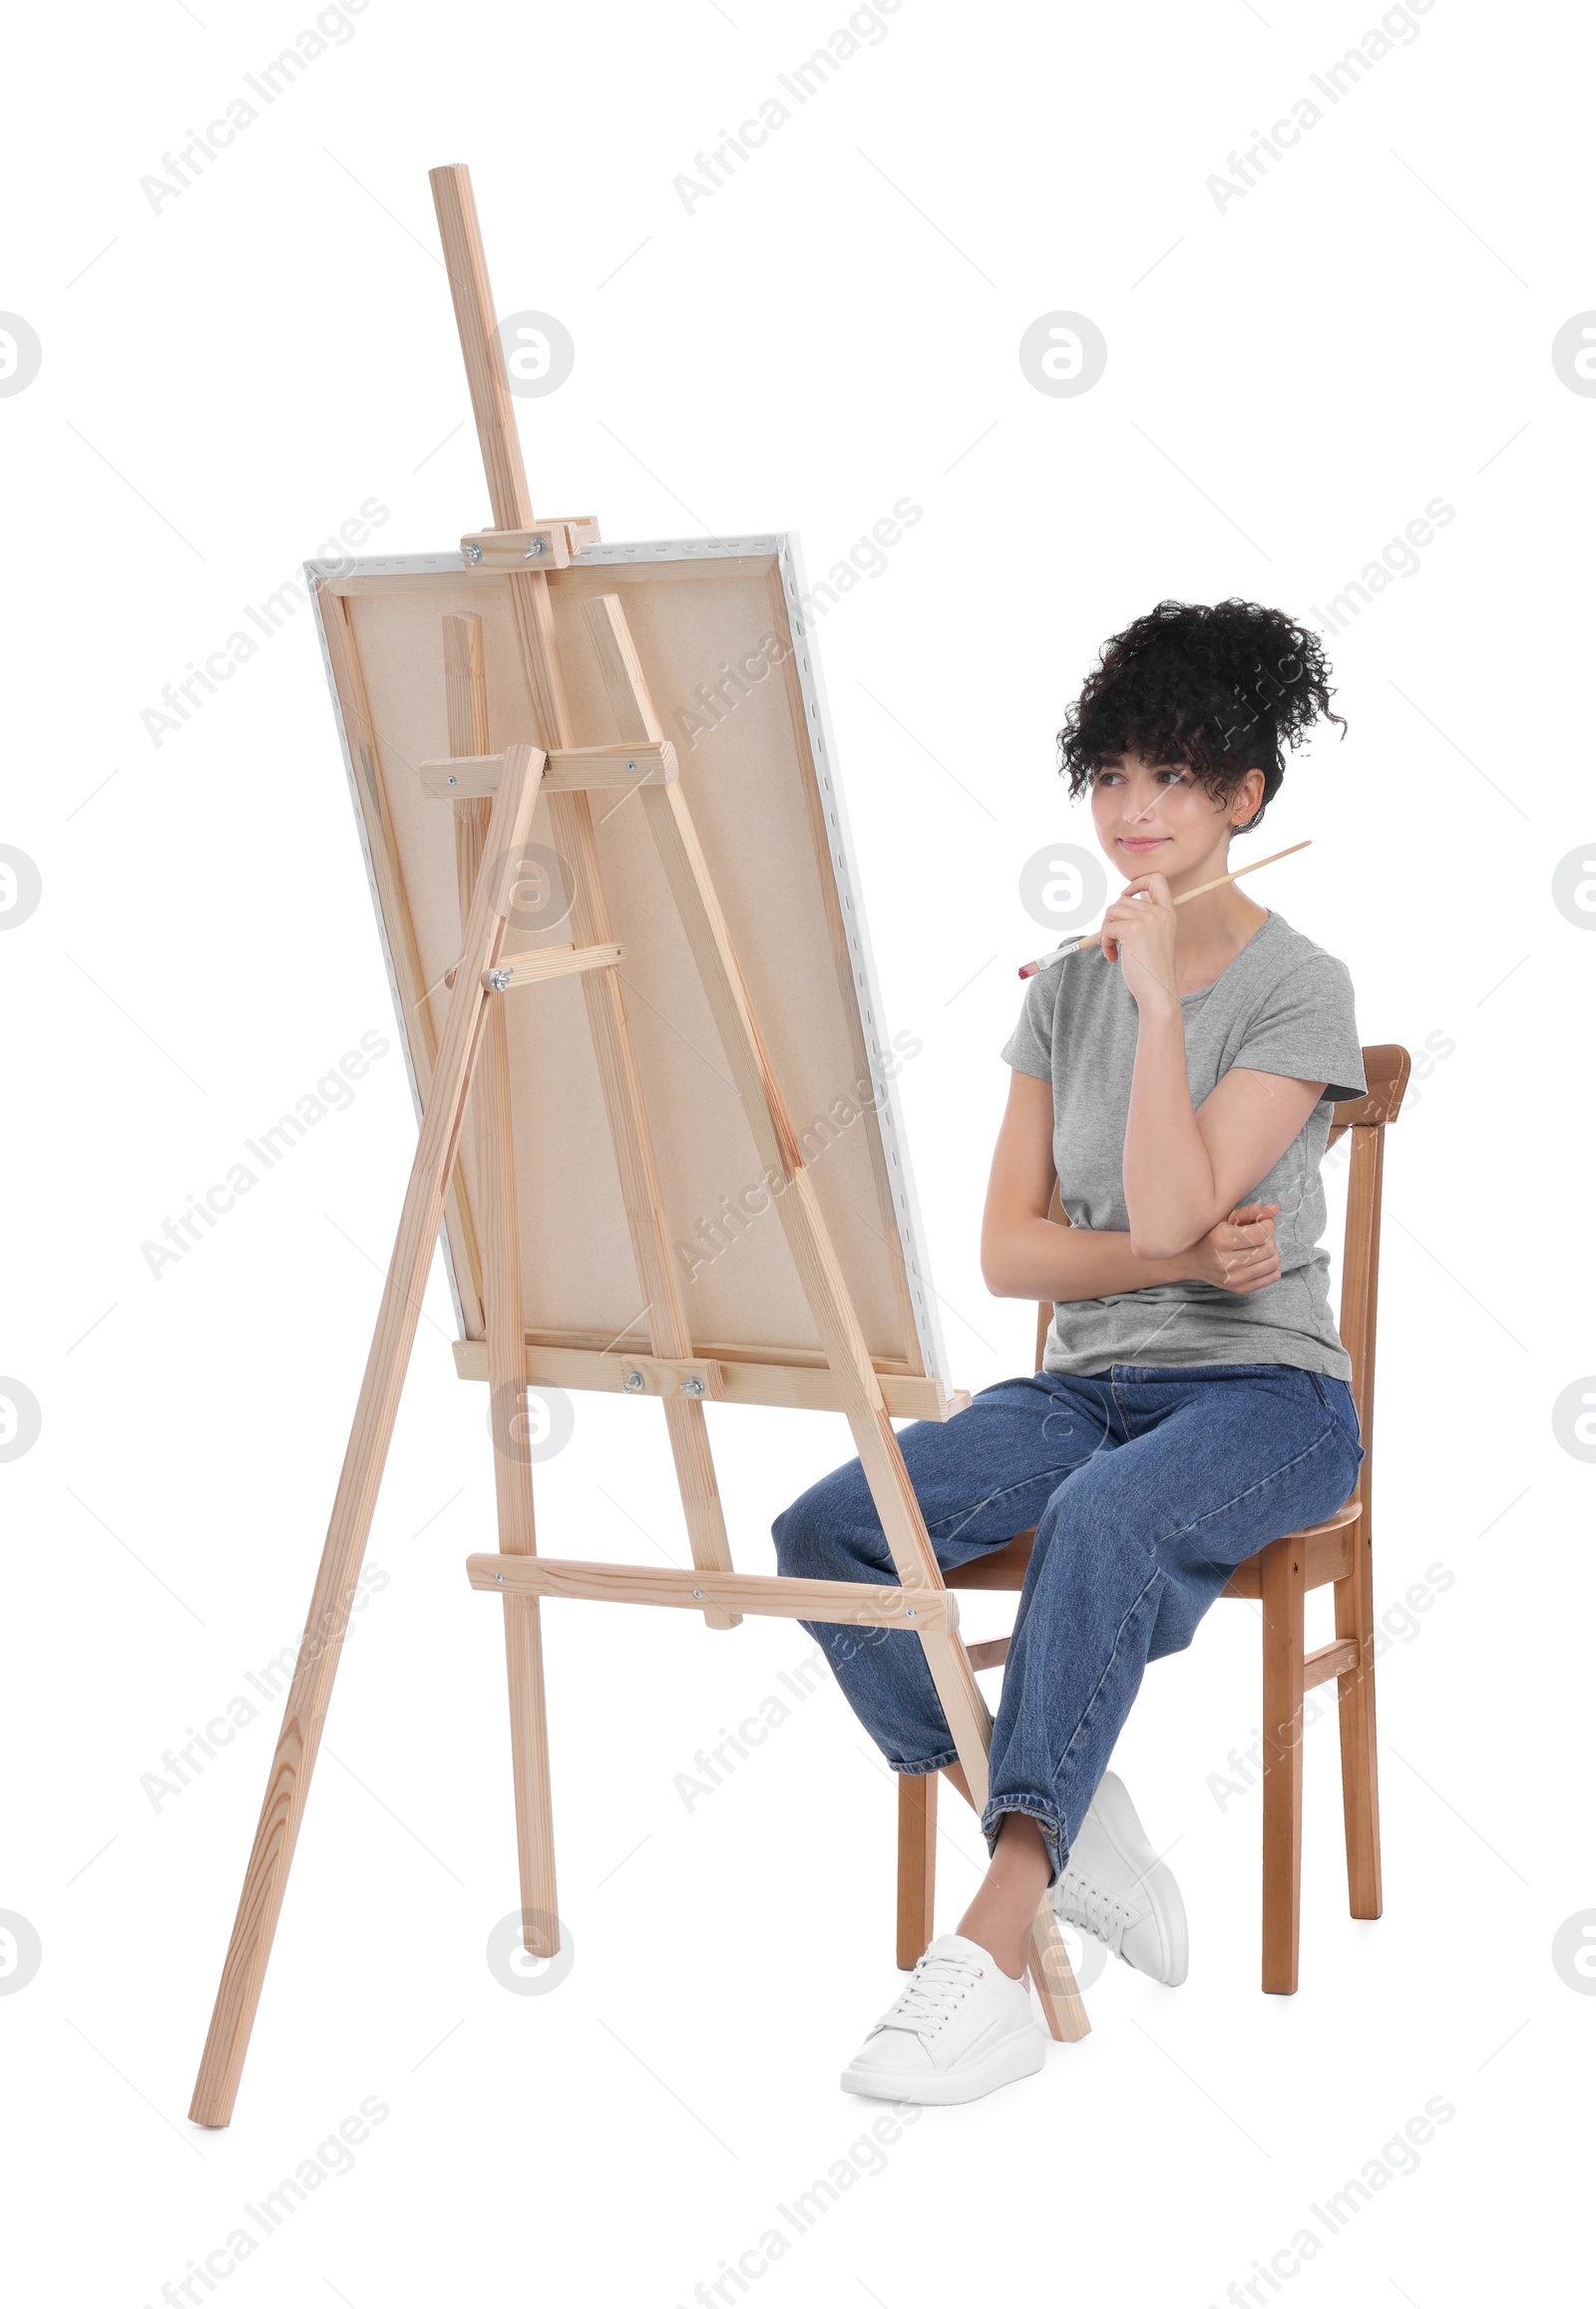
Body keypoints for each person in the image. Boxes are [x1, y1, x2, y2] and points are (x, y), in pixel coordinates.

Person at [772, 597, 1370, 2106]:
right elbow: (1010, 1253)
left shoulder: (1299, 988)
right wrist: (1176, 1251)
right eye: (1112, 777)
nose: (1134, 812)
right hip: (1087, 1384)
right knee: (831, 1527)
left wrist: (1163, 1006)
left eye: (1172, 778)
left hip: (1269, 1395)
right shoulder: (1064, 989)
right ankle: (1061, 1803)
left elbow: (1169, 1188)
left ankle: (989, 1952)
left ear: (1244, 796)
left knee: (1102, 1521)